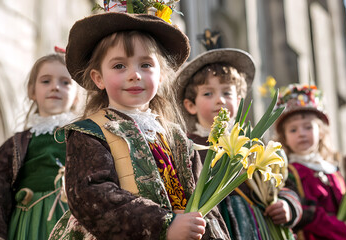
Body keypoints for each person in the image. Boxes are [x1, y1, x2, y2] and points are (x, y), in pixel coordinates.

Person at [48, 7, 230, 240]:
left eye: (145, 65)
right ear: (98, 78)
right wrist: (164, 224)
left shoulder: (177, 138)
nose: (134, 74)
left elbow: (203, 199)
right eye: (119, 66)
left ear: (161, 74)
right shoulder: (90, 132)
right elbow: (91, 194)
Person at [175, 48, 302, 240]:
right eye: (208, 93)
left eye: (227, 92)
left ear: (240, 99)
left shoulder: (254, 143)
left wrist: (287, 205)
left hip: (260, 228)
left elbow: (282, 183)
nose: (220, 100)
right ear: (190, 105)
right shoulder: (186, 145)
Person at [0, 52, 78, 240]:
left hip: (72, 220)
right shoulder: (15, 144)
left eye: (65, 82)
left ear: (77, 95)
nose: (55, 87)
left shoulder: (85, 137)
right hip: (28, 220)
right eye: (46, 81)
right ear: (32, 91)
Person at [274, 84, 346, 239]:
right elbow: (305, 213)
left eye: (308, 127)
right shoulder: (288, 172)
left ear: (321, 131)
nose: (301, 134)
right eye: (293, 130)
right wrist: (342, 228)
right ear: (284, 138)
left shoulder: (332, 170)